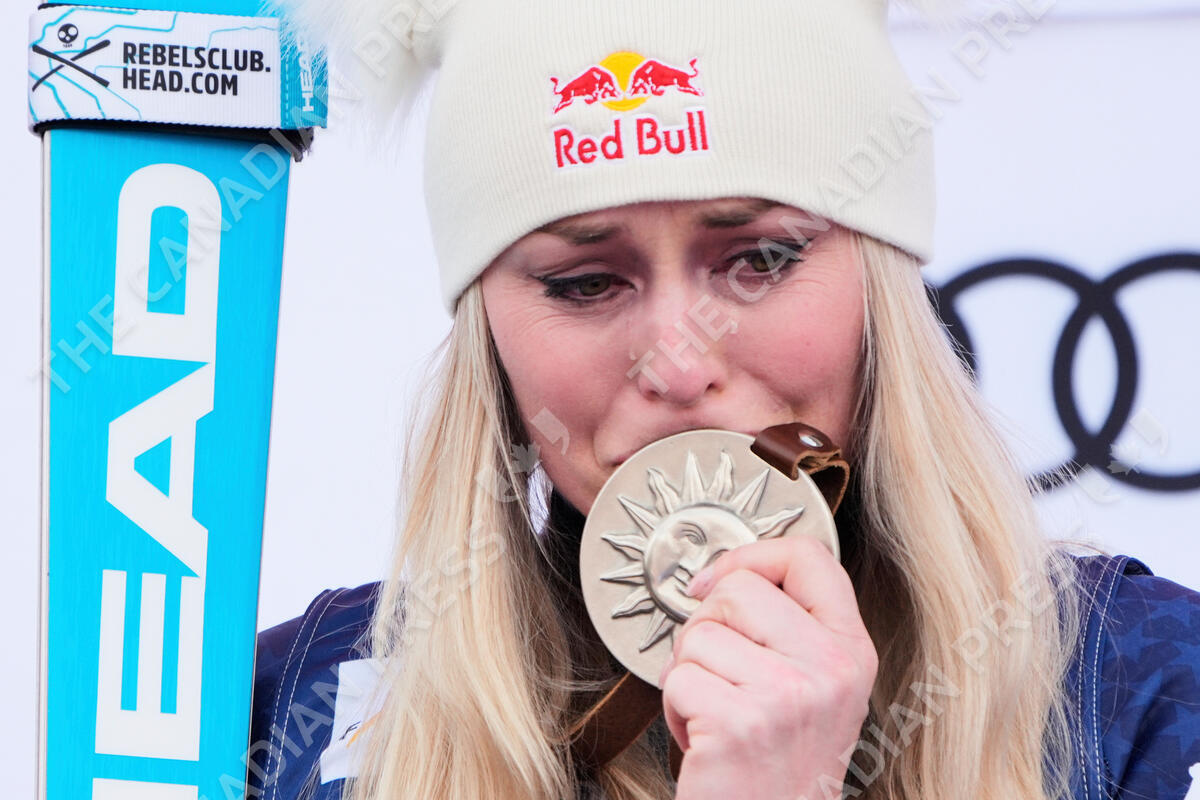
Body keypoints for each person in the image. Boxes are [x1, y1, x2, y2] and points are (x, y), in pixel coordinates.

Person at [249, 0, 1200, 798]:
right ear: (486, 332)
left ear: (880, 287)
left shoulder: (1142, 693)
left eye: (761, 259)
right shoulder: (284, 719)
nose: (678, 361)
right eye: (586, 282)